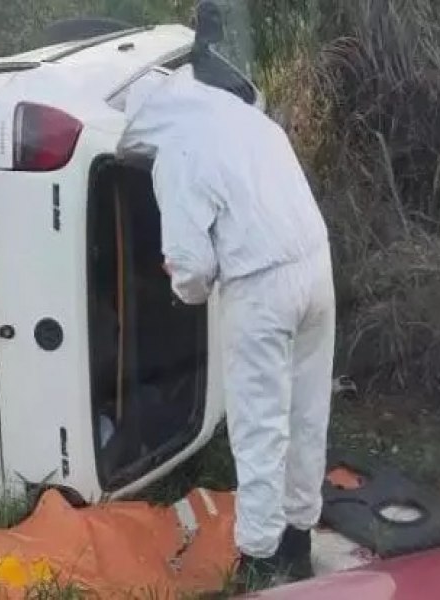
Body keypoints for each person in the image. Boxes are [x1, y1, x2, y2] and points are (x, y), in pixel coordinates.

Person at [116, 60, 335, 585]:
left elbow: (191, 272)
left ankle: (259, 564)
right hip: (317, 269)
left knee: (259, 427)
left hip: (259, 289)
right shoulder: (254, 123)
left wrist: (180, 280)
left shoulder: (177, 156)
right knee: (307, 413)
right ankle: (299, 544)